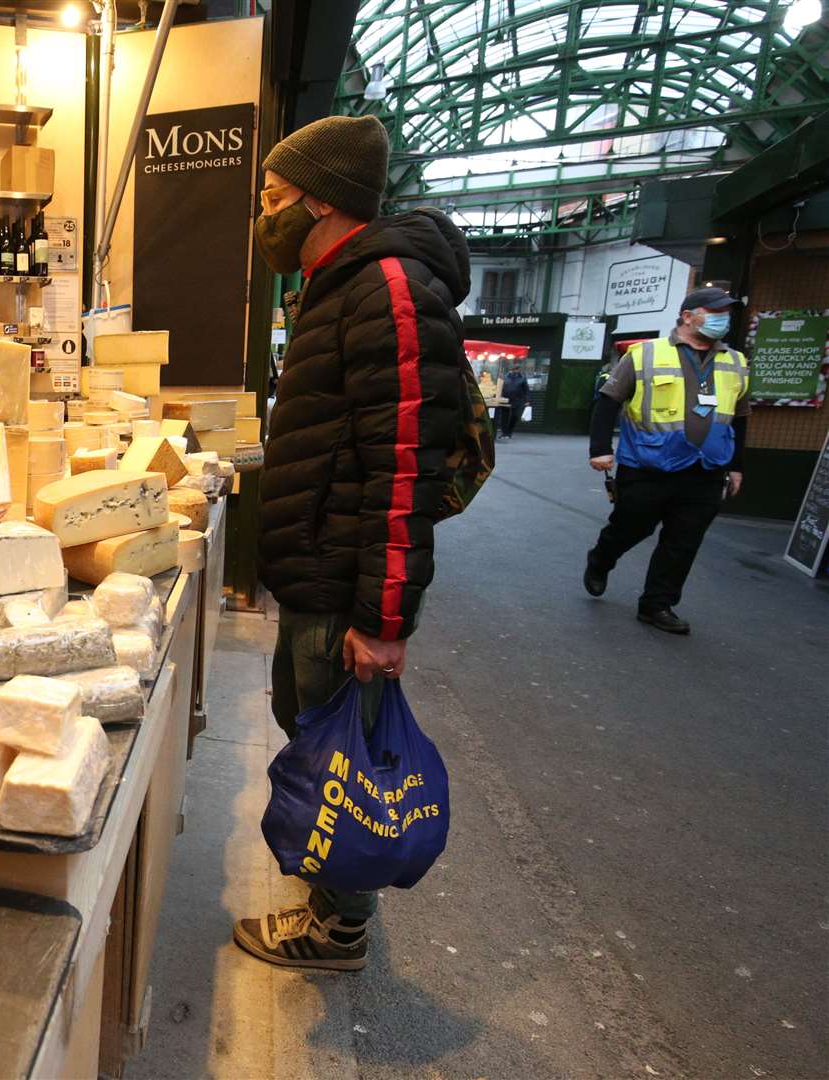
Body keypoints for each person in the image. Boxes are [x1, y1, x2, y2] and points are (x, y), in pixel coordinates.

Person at [234, 114, 470, 972]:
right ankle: (333, 893)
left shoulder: (390, 290)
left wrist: (384, 619)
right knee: (310, 728)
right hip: (317, 574)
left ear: (321, 201)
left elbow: (402, 469)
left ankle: (340, 929)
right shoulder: (336, 286)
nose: (264, 215)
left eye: (272, 198)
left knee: (344, 754)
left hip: (344, 587)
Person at [583, 287, 749, 634]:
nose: (723, 319)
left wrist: (736, 465)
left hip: (706, 469)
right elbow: (608, 402)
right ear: (688, 317)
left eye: (726, 313)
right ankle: (601, 558)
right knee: (631, 525)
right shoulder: (645, 355)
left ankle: (657, 604)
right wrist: (599, 448)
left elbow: (741, 417)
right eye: (714, 311)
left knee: (683, 540)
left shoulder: (736, 362)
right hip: (648, 465)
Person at [498, 362, 529, 440]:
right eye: (514, 369)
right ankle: (504, 433)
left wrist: (527, 400)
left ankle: (509, 432)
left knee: (515, 416)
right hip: (506, 399)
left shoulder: (522, 378)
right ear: (511, 370)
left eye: (517, 369)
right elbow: (500, 387)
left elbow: (526, 390)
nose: (516, 370)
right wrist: (499, 396)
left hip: (517, 400)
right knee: (504, 417)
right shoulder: (505, 377)